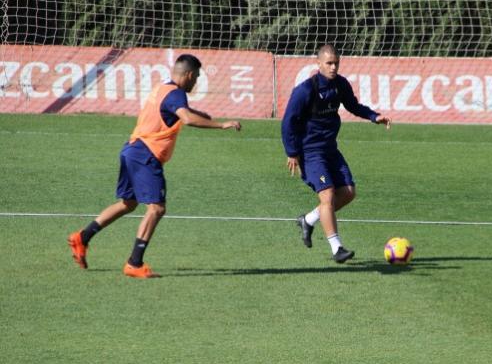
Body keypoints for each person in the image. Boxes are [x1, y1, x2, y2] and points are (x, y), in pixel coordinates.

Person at [67, 54, 241, 278]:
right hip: (146, 154)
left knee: (128, 203)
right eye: (196, 77)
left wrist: (199, 113)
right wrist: (221, 125)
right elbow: (186, 118)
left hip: (132, 149)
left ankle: (83, 237)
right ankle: (134, 263)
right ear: (188, 75)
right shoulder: (176, 94)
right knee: (157, 208)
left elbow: (174, 110)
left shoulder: (164, 88)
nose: (196, 82)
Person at [281, 44, 392, 263]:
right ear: (319, 63)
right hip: (310, 152)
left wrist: (373, 116)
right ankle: (336, 248)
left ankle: (308, 220)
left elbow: (353, 105)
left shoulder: (340, 84)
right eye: (329, 63)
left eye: (336, 63)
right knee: (328, 195)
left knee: (349, 192)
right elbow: (288, 123)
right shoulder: (305, 90)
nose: (333, 67)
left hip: (330, 149)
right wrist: (292, 152)